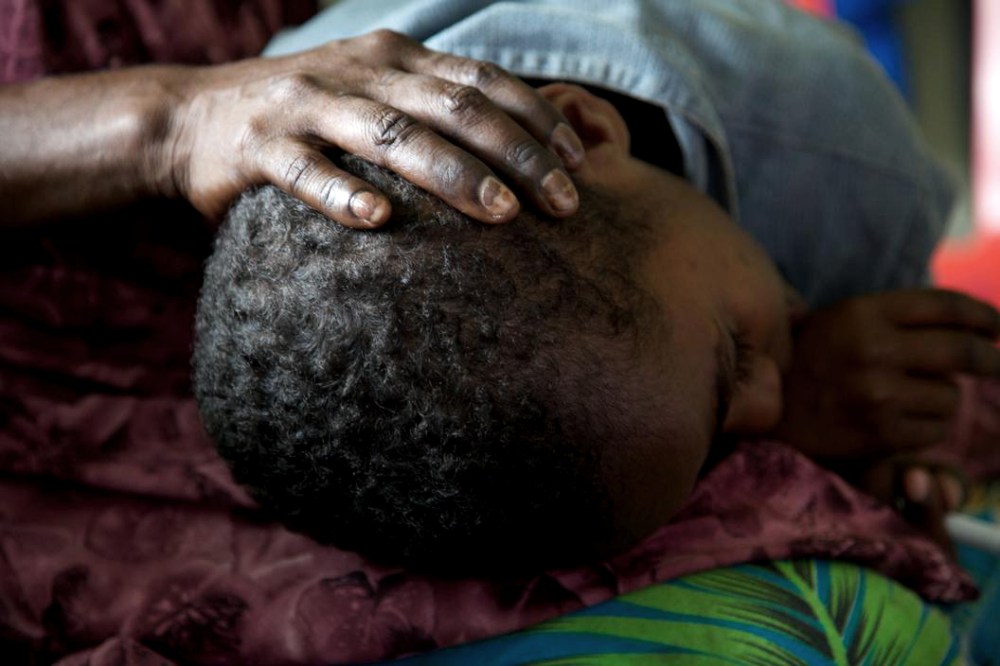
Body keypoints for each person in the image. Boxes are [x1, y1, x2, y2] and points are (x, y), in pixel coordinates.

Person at [190, 0, 1000, 573]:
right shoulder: (271, 220)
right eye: (719, 447)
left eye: (737, 353)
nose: (772, 406)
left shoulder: (850, 169)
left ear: (581, 130)